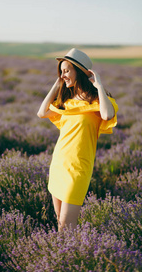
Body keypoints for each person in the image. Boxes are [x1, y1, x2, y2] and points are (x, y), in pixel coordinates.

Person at [37, 48, 118, 231]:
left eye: (66, 71)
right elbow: (41, 112)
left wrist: (99, 86)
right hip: (59, 163)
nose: (63, 75)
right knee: (60, 221)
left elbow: (107, 114)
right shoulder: (67, 102)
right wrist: (58, 84)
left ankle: (70, 257)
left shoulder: (98, 102)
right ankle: (63, 258)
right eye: (61, 71)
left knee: (67, 225)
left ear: (79, 73)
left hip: (79, 167)